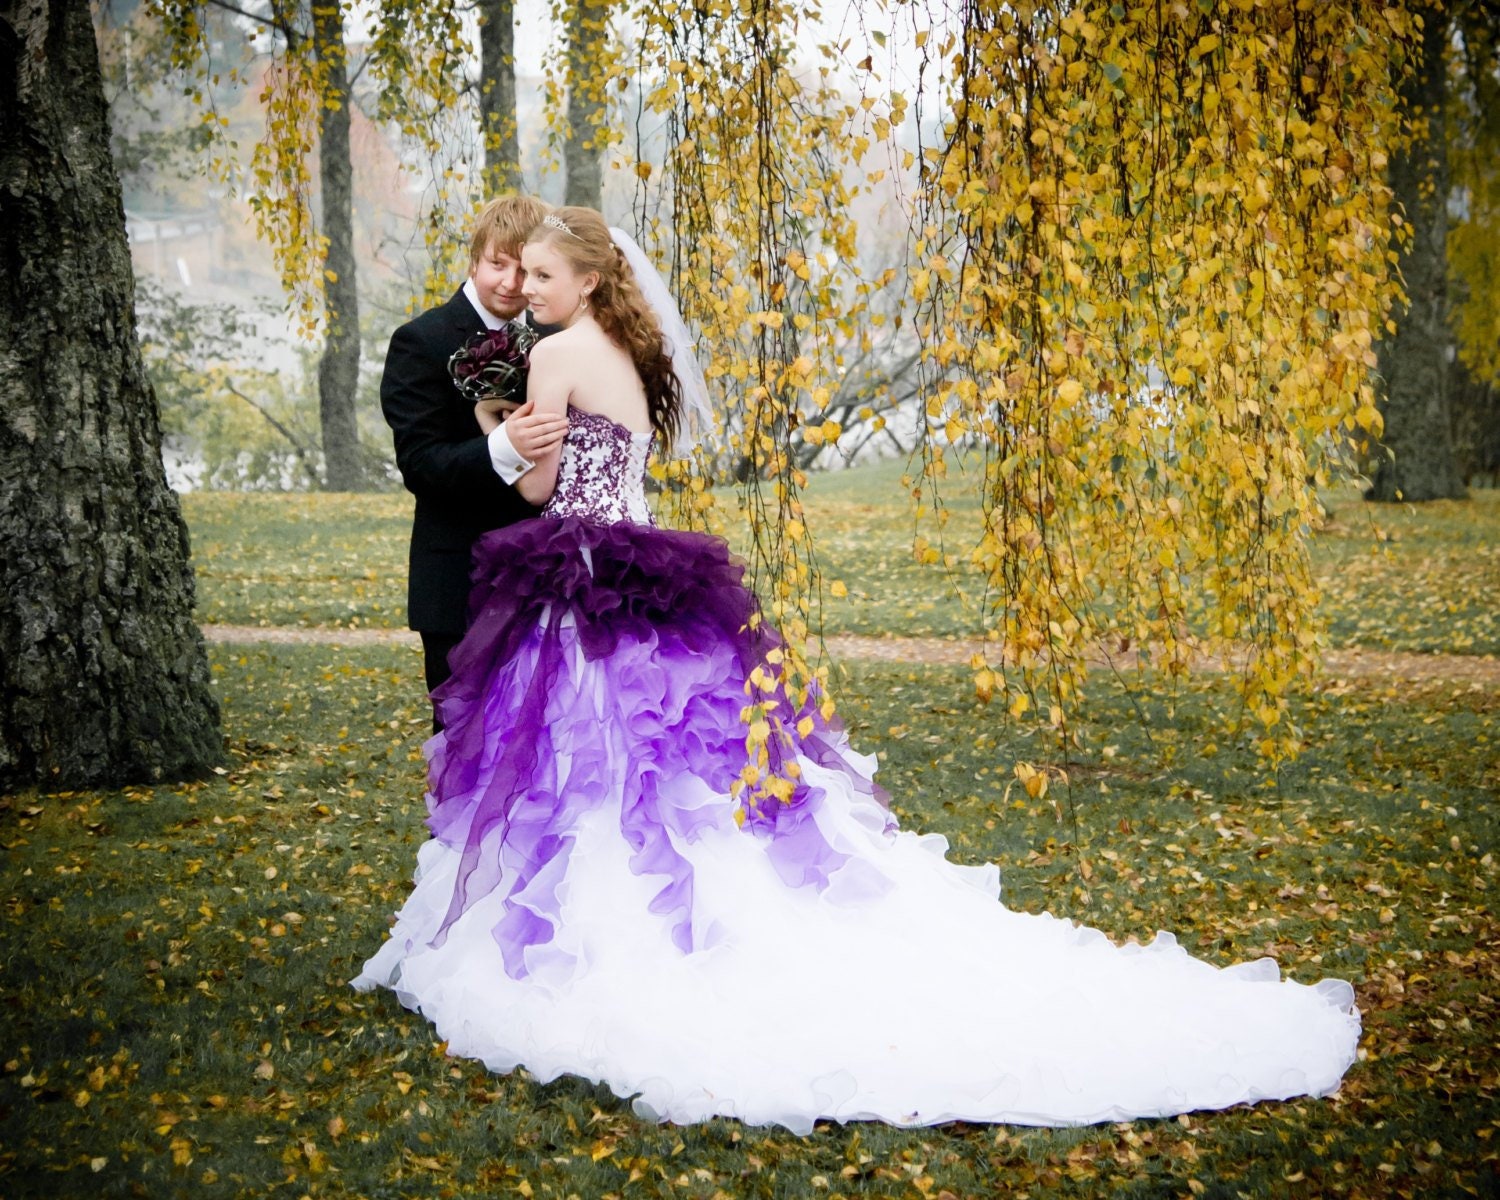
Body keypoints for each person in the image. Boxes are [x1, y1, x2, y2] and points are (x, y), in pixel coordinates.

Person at [354, 206, 1361, 1133]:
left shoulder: (560, 354)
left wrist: (497, 429)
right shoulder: (627, 347)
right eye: (517, 273)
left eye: (539, 273)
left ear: (581, 280)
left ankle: (582, 933)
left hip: (577, 571)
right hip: (643, 563)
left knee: (578, 760)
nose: (526, 289)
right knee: (671, 759)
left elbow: (537, 482)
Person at [380, 195, 569, 726]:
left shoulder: (560, 340)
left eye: (526, 269)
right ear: (473, 260)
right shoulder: (422, 341)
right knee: (466, 743)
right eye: (497, 265)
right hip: (459, 583)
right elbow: (421, 464)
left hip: (546, 577)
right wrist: (505, 447)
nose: (511, 283)